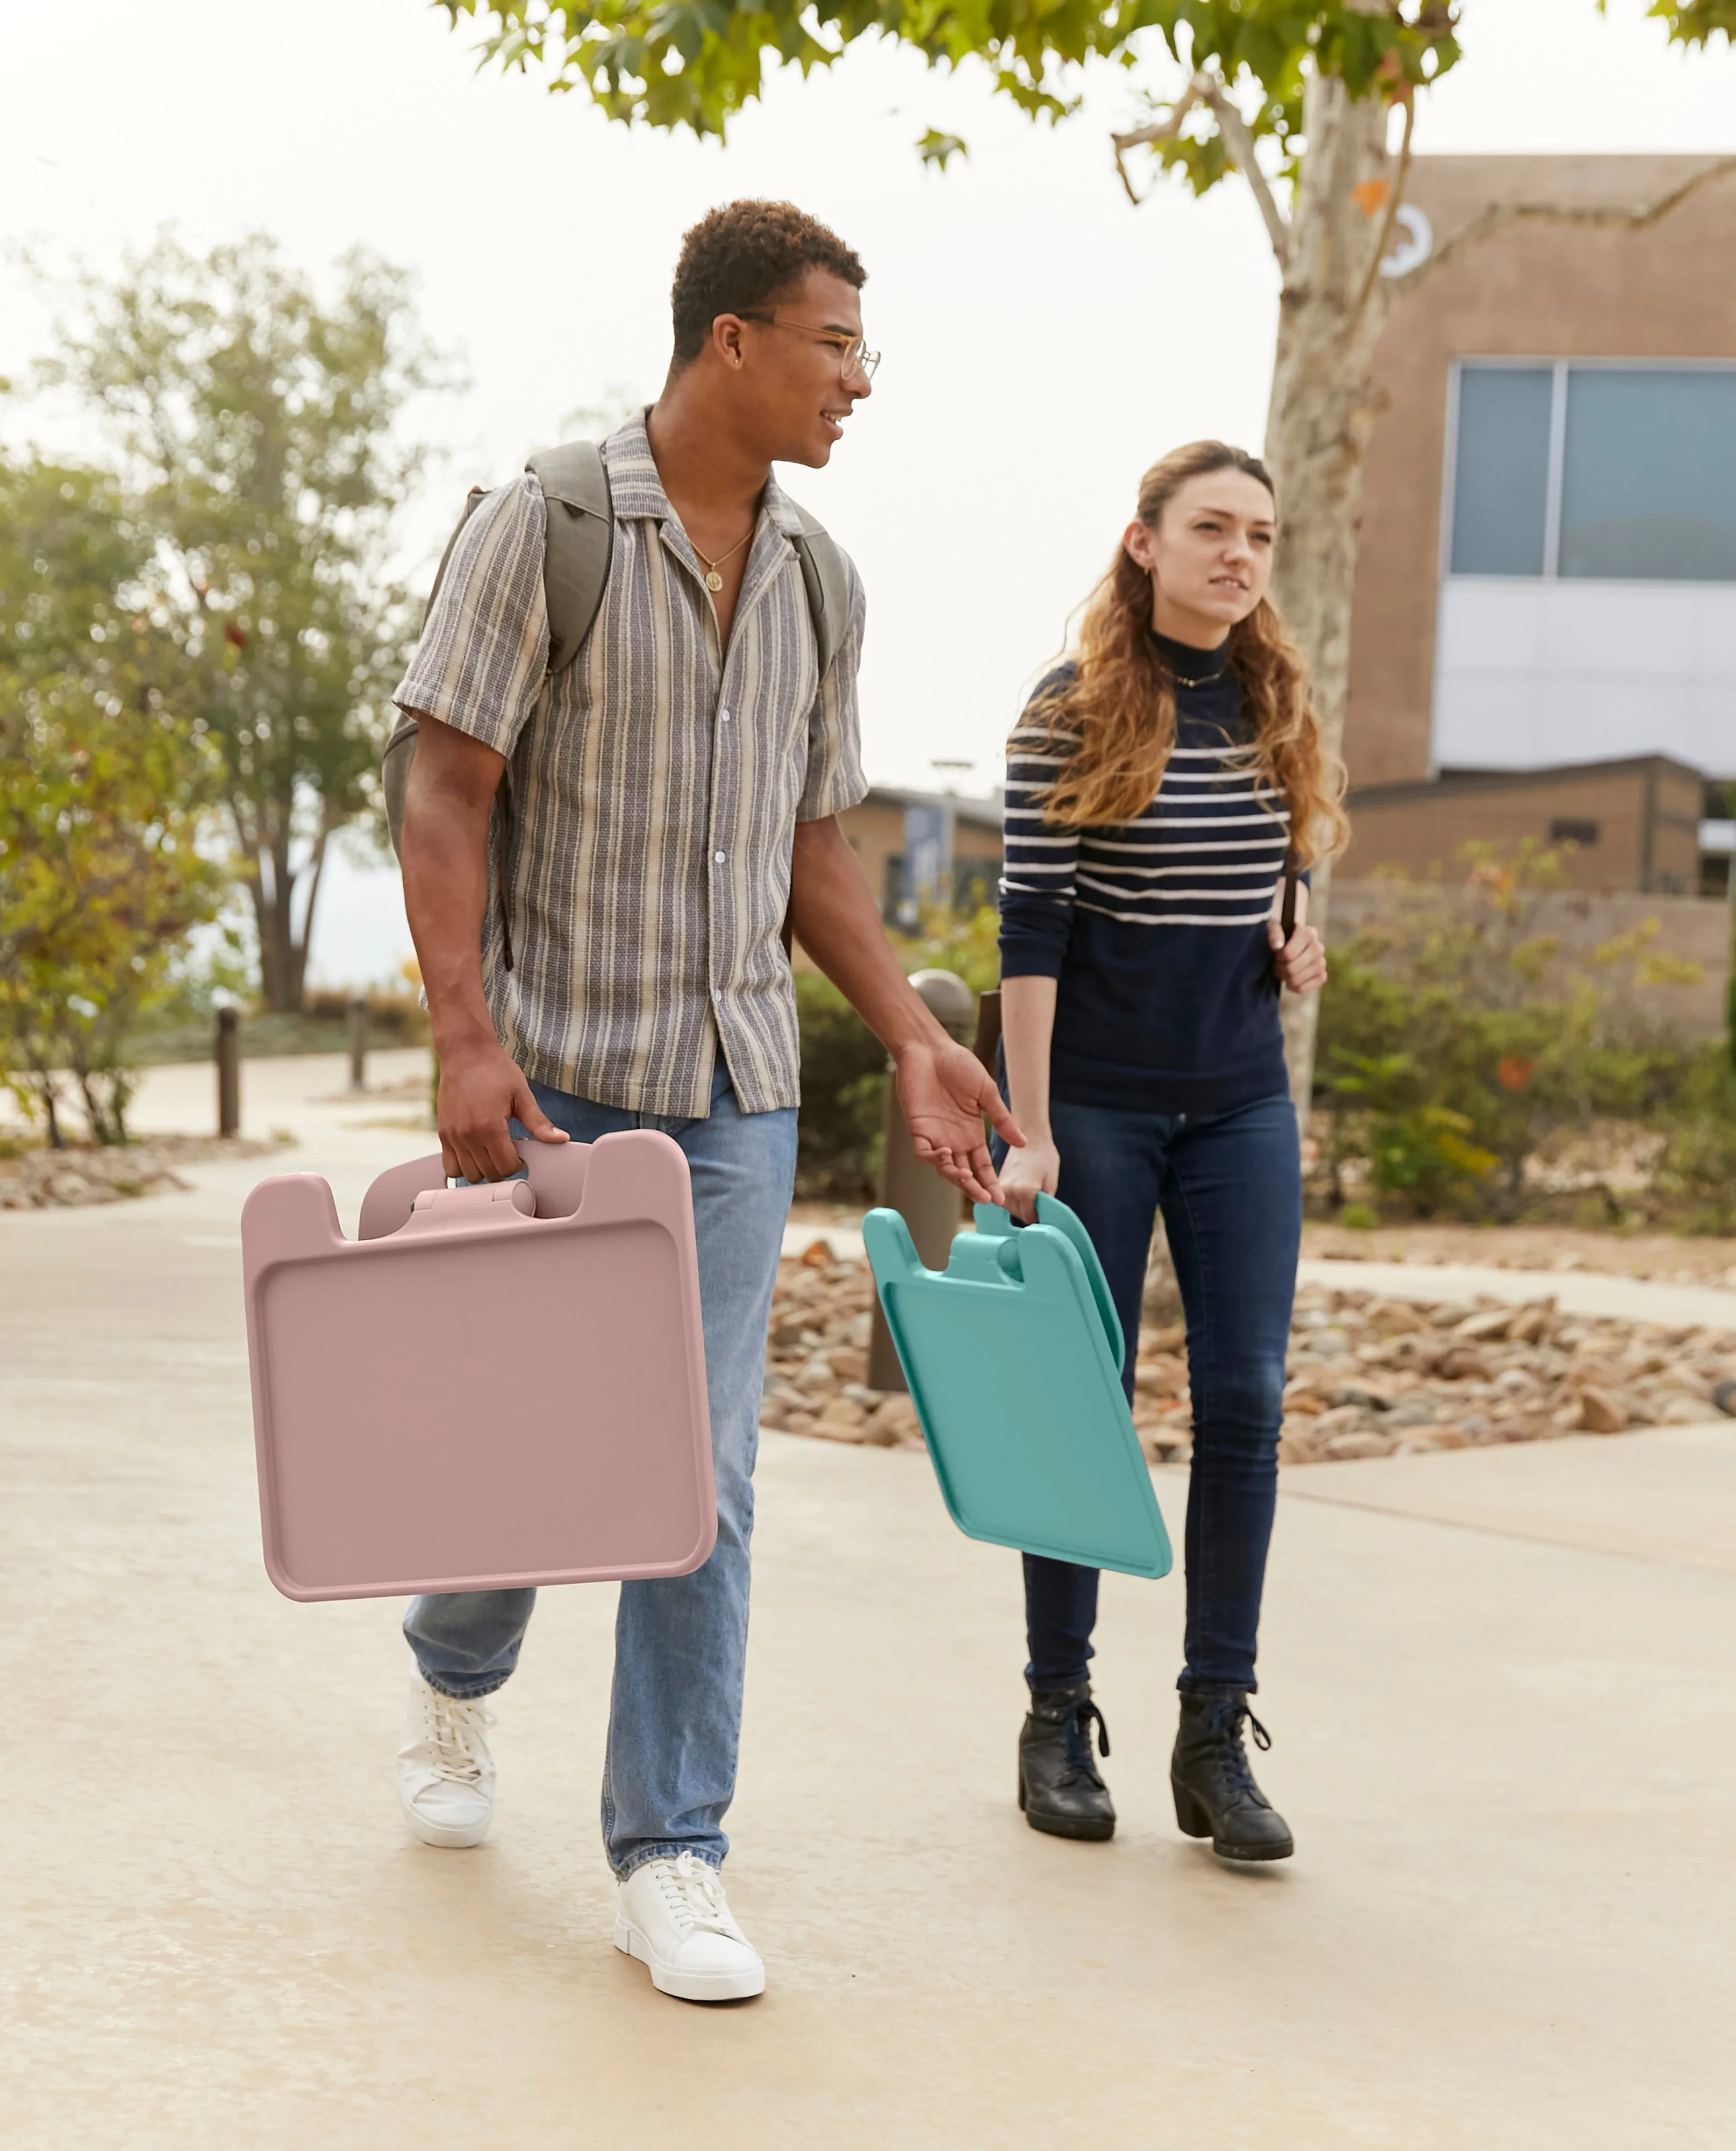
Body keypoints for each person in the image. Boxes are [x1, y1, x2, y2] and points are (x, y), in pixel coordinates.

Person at [390, 200, 1019, 2003]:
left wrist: (904, 1027)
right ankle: (454, 1679)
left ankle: (671, 1848)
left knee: (699, 1473)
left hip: (735, 1094)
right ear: (731, 340)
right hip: (558, 1077)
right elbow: (447, 787)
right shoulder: (550, 527)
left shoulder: (824, 576)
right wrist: (463, 1034)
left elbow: (814, 850)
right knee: (532, 1458)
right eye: (837, 346)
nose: (860, 384)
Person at [993, 439, 1345, 1860]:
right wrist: (1028, 1132)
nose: (1239, 554)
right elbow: (1032, 931)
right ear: (1144, 542)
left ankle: (1216, 1731)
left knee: (1247, 1401)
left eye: (1258, 534)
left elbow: (1283, 872)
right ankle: (1058, 1711)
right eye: (1211, 527)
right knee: (1084, 1404)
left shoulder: (1275, 700)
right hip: (1096, 1104)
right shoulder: (1067, 709)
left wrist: (1299, 934)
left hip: (1242, 1100)